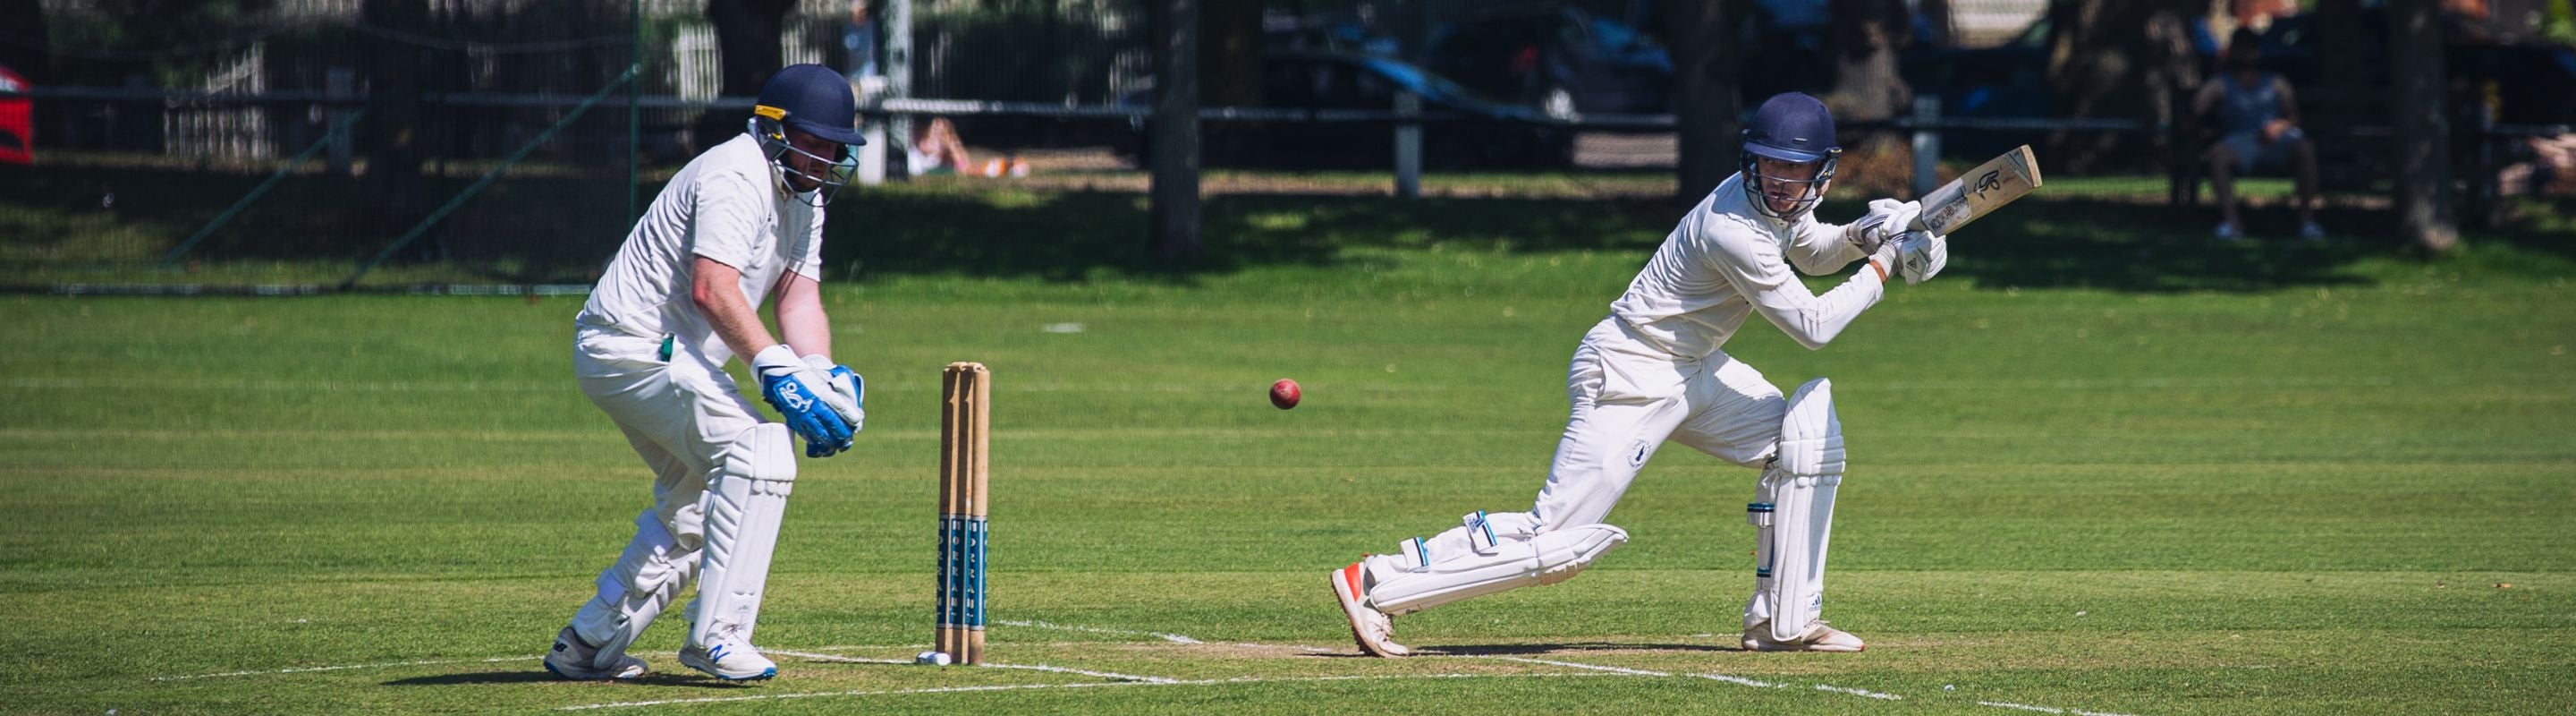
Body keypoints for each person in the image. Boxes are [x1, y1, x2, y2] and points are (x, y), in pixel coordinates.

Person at [1328, 92, 1948, 656]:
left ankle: (1781, 620)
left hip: (1693, 369)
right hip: (1631, 370)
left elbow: (1813, 252)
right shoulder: (1733, 229)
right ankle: (1379, 580)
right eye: (1769, 165)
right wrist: (1885, 264)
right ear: (1751, 161)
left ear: (1822, 173)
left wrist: (1863, 234)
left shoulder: (1779, 208)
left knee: (1800, 446)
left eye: (1794, 170)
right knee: (1556, 540)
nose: (1780, 182)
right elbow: (1813, 327)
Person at [544, 64, 869, 682]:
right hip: (631, 344)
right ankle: (718, 636)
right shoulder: (735, 173)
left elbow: (798, 297)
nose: (825, 159)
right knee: (758, 452)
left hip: (662, 355)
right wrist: (778, 374)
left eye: (835, 148)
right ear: (774, 130)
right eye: (814, 142)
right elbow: (712, 289)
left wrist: (822, 373)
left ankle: (587, 642)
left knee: (696, 506)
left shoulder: (803, 193)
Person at [2193, 27, 2323, 241]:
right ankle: (2232, 224)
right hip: (2241, 142)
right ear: (2232, 50)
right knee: (2218, 155)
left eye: (2250, 48)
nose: (2246, 54)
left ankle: (2307, 222)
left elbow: (2294, 117)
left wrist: (2278, 126)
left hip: (2277, 140)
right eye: (2241, 48)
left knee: (2305, 148)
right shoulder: (2220, 84)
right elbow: (2196, 109)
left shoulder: (2276, 82)